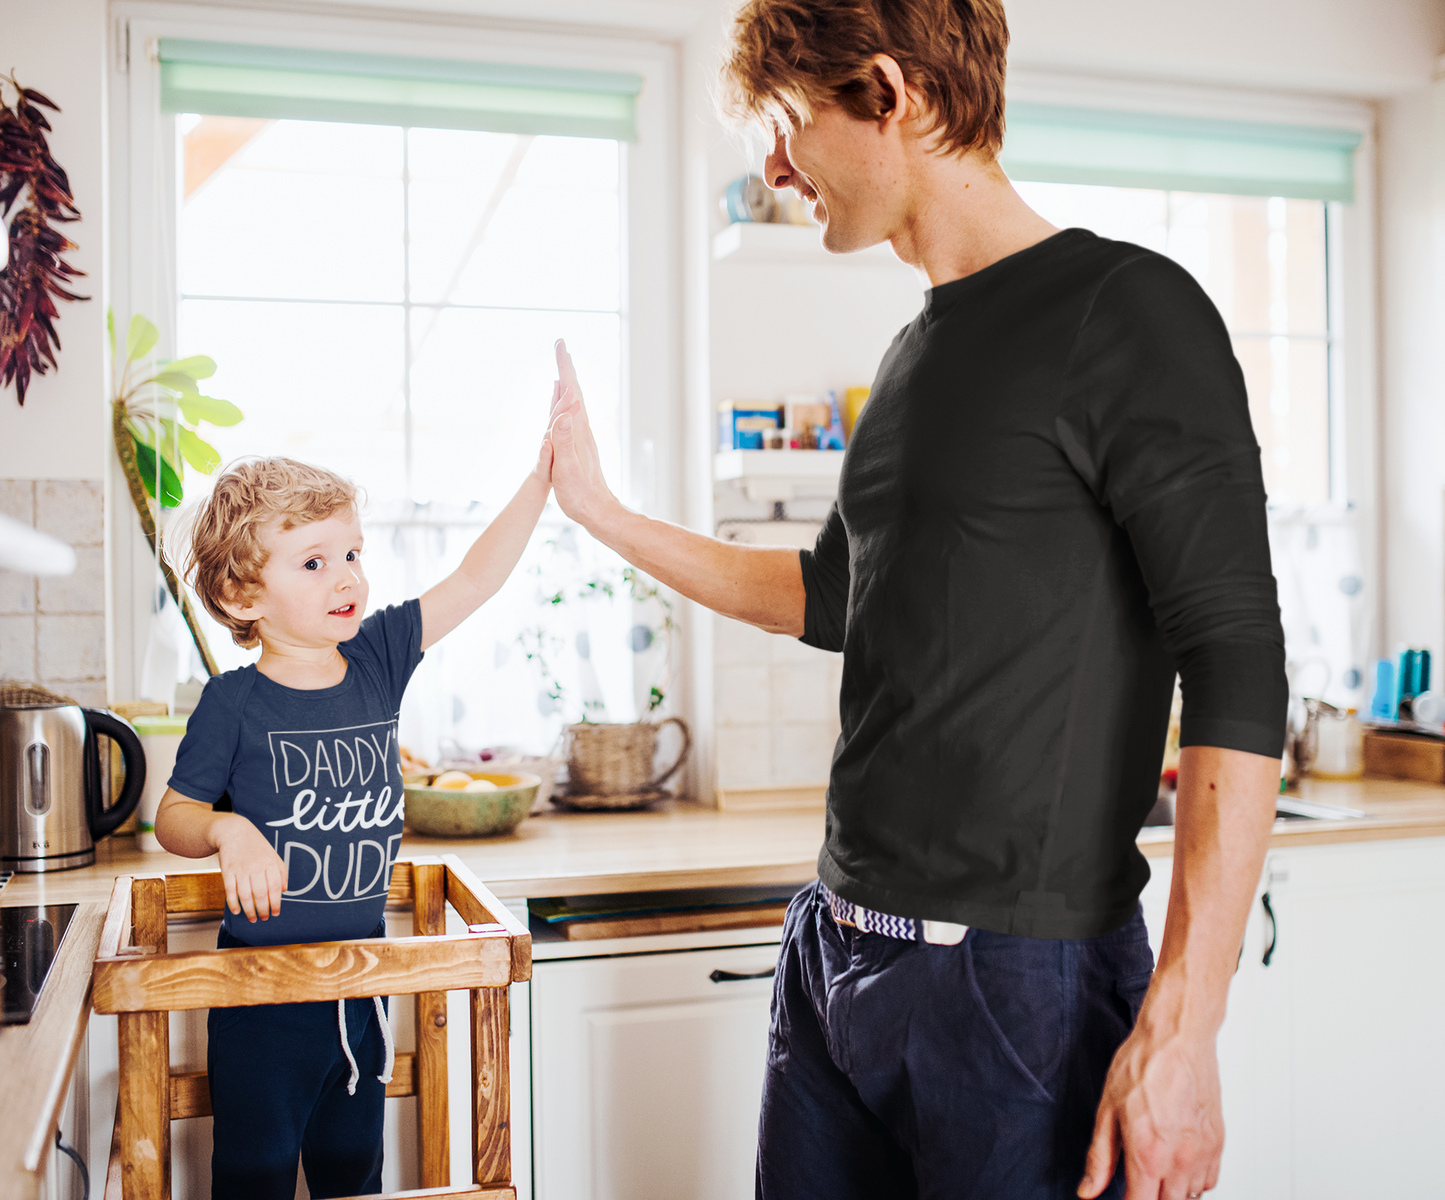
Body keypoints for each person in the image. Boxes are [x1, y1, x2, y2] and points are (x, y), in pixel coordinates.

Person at [540, 0, 1288, 1196]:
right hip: (836, 951)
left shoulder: (1125, 312)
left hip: (1008, 984)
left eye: (788, 126)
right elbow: (832, 596)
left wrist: (1183, 1027)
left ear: (889, 93)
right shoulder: (910, 355)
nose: (773, 168)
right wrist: (605, 516)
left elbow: (1236, 654)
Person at [154, 449, 550, 1200]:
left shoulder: (377, 659)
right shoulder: (230, 703)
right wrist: (227, 832)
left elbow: (474, 579)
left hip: (364, 990)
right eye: (313, 562)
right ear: (243, 595)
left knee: (353, 1175)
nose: (347, 577)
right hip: (260, 998)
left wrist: (541, 481)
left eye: (352, 553)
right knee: (254, 1176)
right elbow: (173, 816)